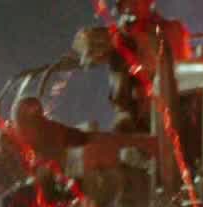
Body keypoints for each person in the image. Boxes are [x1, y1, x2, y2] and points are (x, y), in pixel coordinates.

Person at [75, 0, 190, 135]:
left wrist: (139, 40)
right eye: (126, 4)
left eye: (135, 2)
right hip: (131, 115)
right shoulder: (120, 34)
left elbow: (181, 74)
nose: (130, 7)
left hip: (163, 112)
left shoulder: (170, 29)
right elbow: (88, 54)